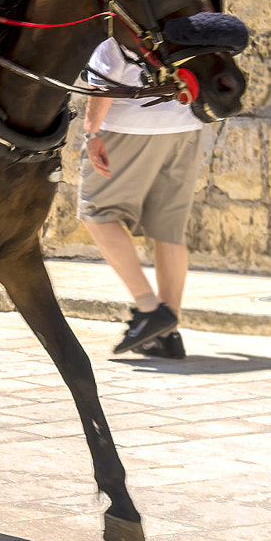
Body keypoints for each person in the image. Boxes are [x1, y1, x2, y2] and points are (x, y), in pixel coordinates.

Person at [79, 37, 204, 358]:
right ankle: (168, 334)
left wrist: (92, 132)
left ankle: (150, 309)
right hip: (184, 124)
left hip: (127, 127)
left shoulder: (119, 21)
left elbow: (102, 83)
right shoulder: (178, 18)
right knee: (168, 229)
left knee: (96, 213)